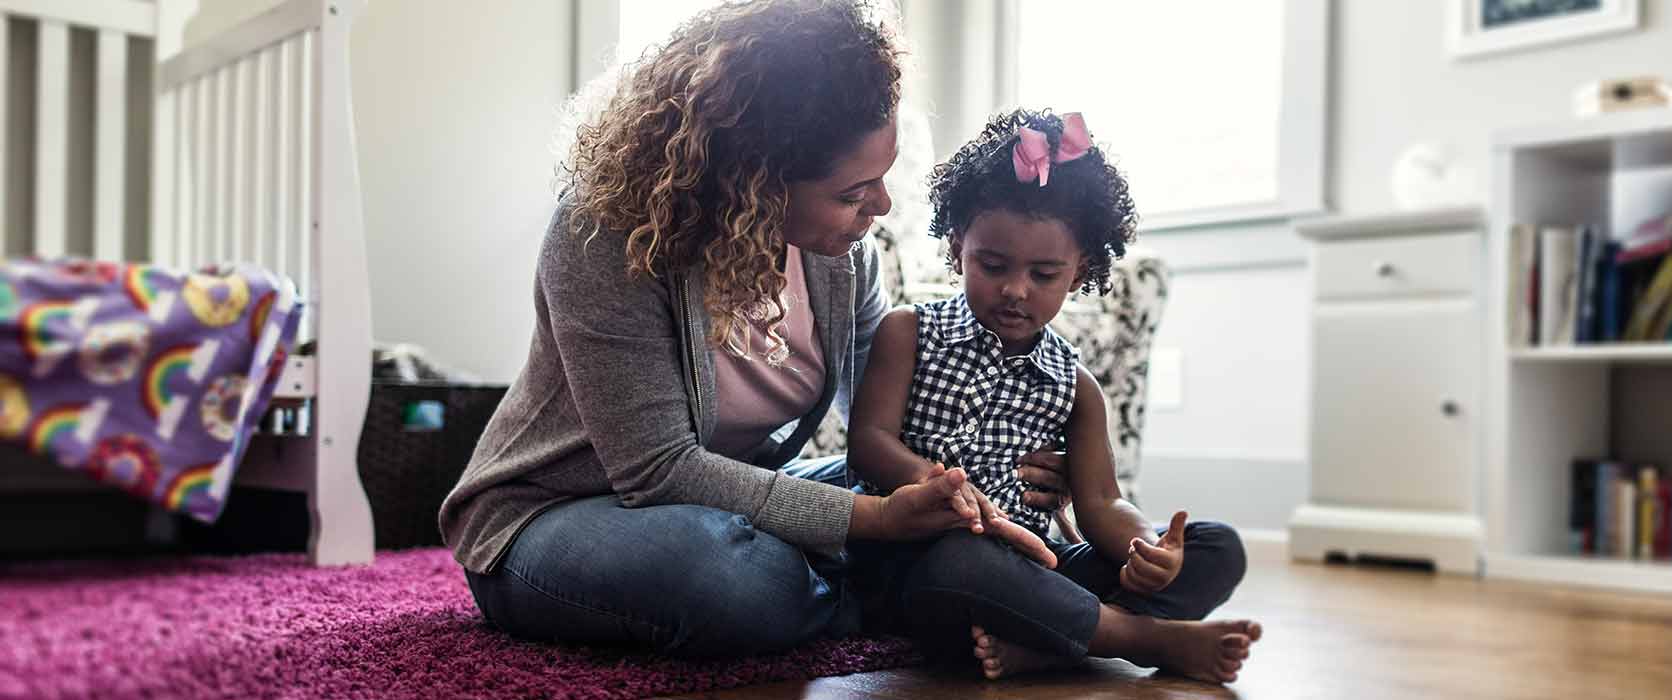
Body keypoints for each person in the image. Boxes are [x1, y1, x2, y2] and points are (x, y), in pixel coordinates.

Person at [437, 0, 1069, 658]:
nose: (880, 208)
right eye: (855, 193)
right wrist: (880, 521)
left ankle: (877, 588)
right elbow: (659, 473)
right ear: (757, 181)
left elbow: (895, 424)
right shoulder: (604, 234)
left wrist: (996, 468)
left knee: (929, 504)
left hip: (733, 496)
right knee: (726, 572)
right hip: (556, 513)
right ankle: (897, 595)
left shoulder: (844, 261)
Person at [847, 109, 1260, 683]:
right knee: (965, 563)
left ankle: (1050, 644)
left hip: (1035, 567)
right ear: (959, 243)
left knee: (1217, 547)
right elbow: (866, 445)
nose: (1015, 290)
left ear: (1079, 270)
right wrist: (936, 487)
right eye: (992, 265)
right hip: (920, 562)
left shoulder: (1076, 385)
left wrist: (1146, 547)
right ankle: (1139, 638)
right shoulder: (908, 333)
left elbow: (1101, 503)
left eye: (1044, 274)